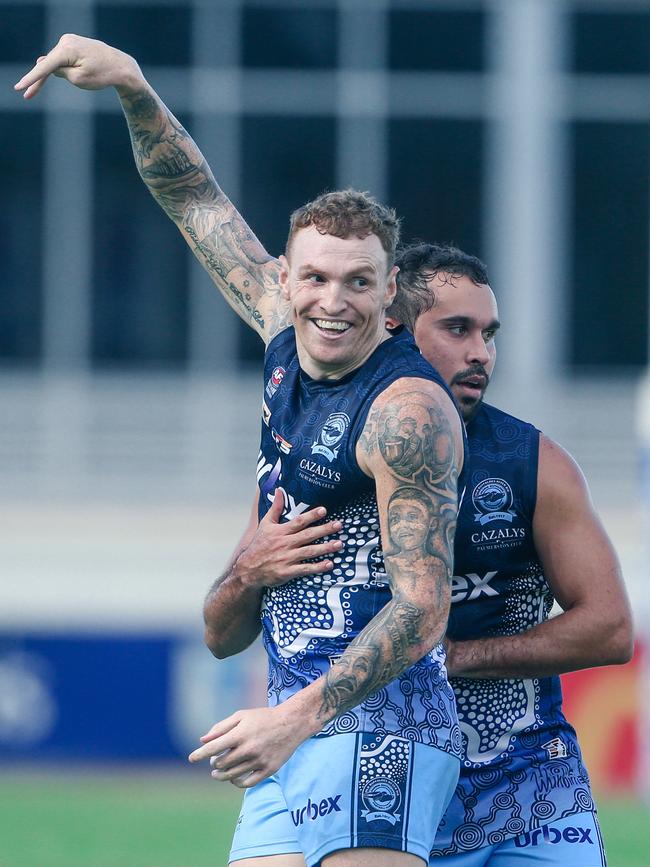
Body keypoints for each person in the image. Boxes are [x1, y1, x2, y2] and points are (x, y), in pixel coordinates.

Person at [16, 36, 468, 867]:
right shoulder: (278, 326)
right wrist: (134, 86)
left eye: (359, 282)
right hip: (288, 731)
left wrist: (294, 718)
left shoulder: (408, 413)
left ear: (389, 295)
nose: (334, 302)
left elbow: (423, 606)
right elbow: (193, 199)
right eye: (316, 278)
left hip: (382, 731)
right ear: (285, 280)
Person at [205, 242, 633, 867]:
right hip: (362, 757)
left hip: (521, 791)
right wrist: (248, 572)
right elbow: (223, 635)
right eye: (457, 329)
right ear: (394, 328)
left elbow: (611, 628)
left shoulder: (534, 463)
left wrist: (449, 656)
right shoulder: (326, 453)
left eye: (490, 334)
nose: (480, 353)